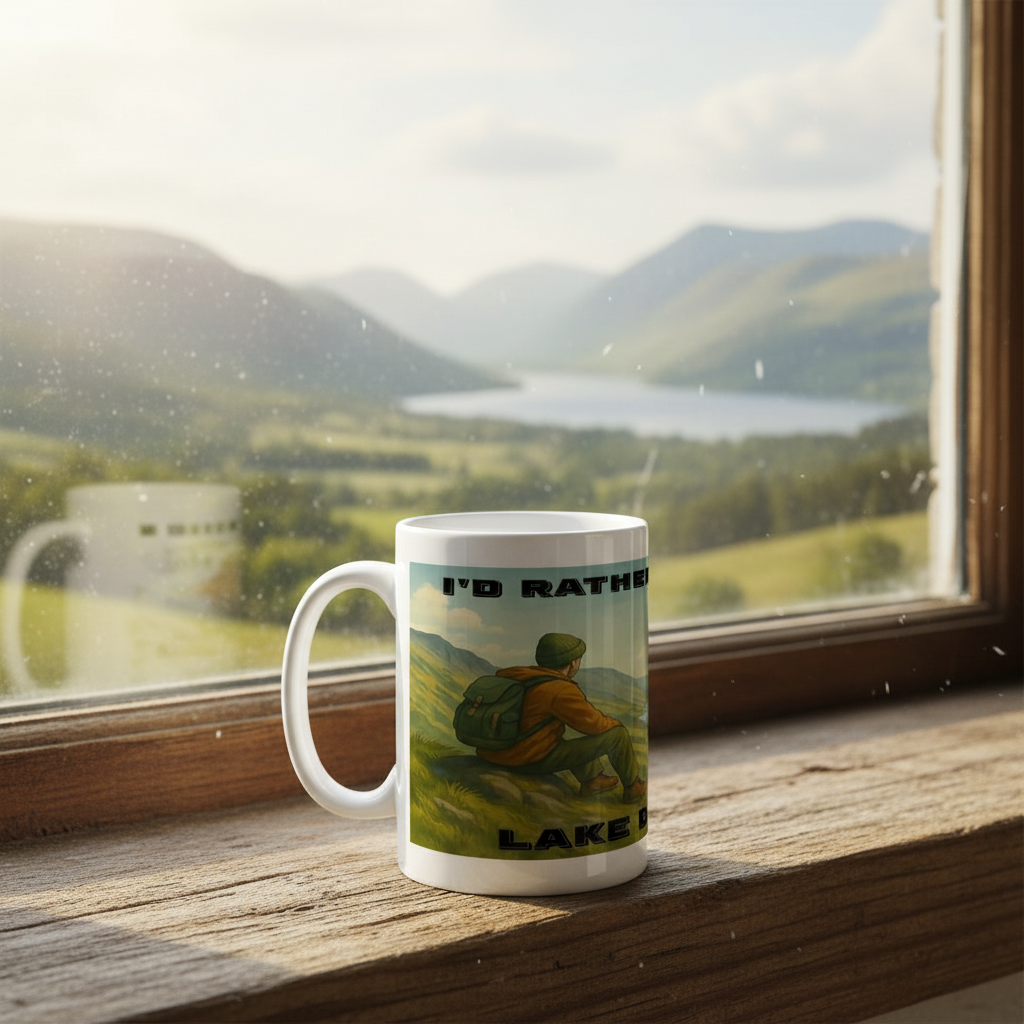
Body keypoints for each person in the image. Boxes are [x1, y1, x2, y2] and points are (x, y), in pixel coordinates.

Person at [475, 632, 647, 803]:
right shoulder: (560, 689)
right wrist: (616, 724)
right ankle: (633, 787)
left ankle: (593, 780)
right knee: (617, 735)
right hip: (524, 759)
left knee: (560, 733)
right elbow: (595, 724)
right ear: (573, 663)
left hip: (493, 754)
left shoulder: (517, 676)